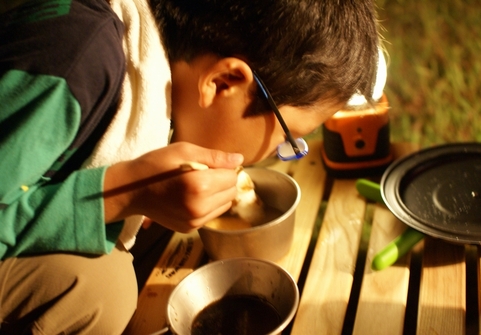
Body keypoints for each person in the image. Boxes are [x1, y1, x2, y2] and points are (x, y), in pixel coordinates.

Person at [0, 0, 380, 333]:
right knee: (99, 289)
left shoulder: (148, 59)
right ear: (222, 82)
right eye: (286, 138)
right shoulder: (73, 64)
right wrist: (122, 195)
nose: (276, 154)